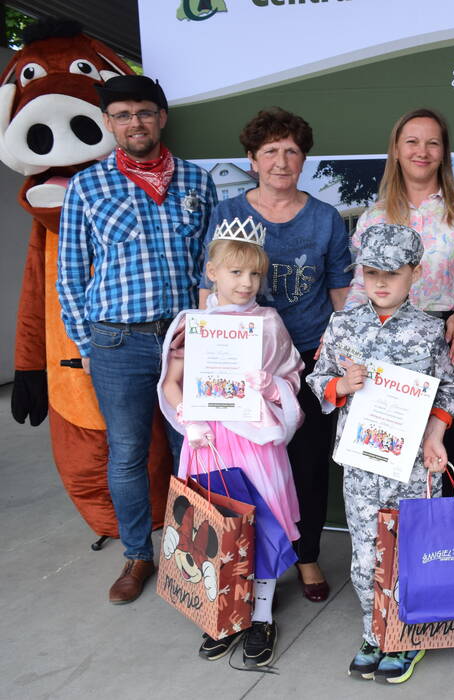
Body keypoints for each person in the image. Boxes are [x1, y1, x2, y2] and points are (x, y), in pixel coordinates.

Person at [57, 74, 216, 604]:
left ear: (162, 117)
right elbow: (70, 274)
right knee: (126, 453)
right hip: (117, 343)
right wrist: (88, 345)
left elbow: (210, 267)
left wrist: (209, 334)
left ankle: (196, 554)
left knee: (191, 447)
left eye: (145, 112)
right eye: (123, 115)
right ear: (109, 123)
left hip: (184, 342)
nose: (135, 123)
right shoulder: (87, 187)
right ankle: (137, 555)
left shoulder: (196, 182)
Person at [202, 108, 352, 602]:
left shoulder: (324, 218)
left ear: (304, 159)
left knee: (308, 462)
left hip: (307, 356)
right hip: (241, 361)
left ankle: (306, 556)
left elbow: (340, 290)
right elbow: (209, 286)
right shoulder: (227, 213)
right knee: (245, 466)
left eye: (292, 151)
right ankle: (245, 561)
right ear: (252, 159)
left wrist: (339, 348)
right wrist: (206, 352)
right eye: (270, 151)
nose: (281, 161)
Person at [306, 224, 454, 684]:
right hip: (360, 466)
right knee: (365, 556)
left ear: (415, 273)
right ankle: (374, 631)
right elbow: (318, 379)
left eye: (391, 273)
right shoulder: (343, 324)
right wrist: (341, 385)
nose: (380, 282)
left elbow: (451, 391)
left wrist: (436, 435)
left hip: (412, 468)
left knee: (410, 552)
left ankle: (407, 633)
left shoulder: (428, 330)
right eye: (371, 272)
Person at [159, 221, 305, 667]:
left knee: (263, 524)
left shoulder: (269, 323)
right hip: (209, 442)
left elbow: (291, 375)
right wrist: (189, 418)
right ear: (212, 272)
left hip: (255, 440)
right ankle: (225, 608)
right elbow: (172, 382)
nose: (246, 283)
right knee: (214, 527)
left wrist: (272, 385)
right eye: (236, 272)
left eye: (255, 274)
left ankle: (261, 616)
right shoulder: (193, 325)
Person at [347, 108, 454, 496]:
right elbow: (360, 287)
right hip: (384, 340)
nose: (421, 151)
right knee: (384, 451)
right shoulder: (374, 217)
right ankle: (385, 533)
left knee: (443, 449)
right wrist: (341, 333)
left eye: (432, 143)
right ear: (396, 150)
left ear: (444, 152)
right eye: (411, 142)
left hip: (447, 339)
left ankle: (437, 533)